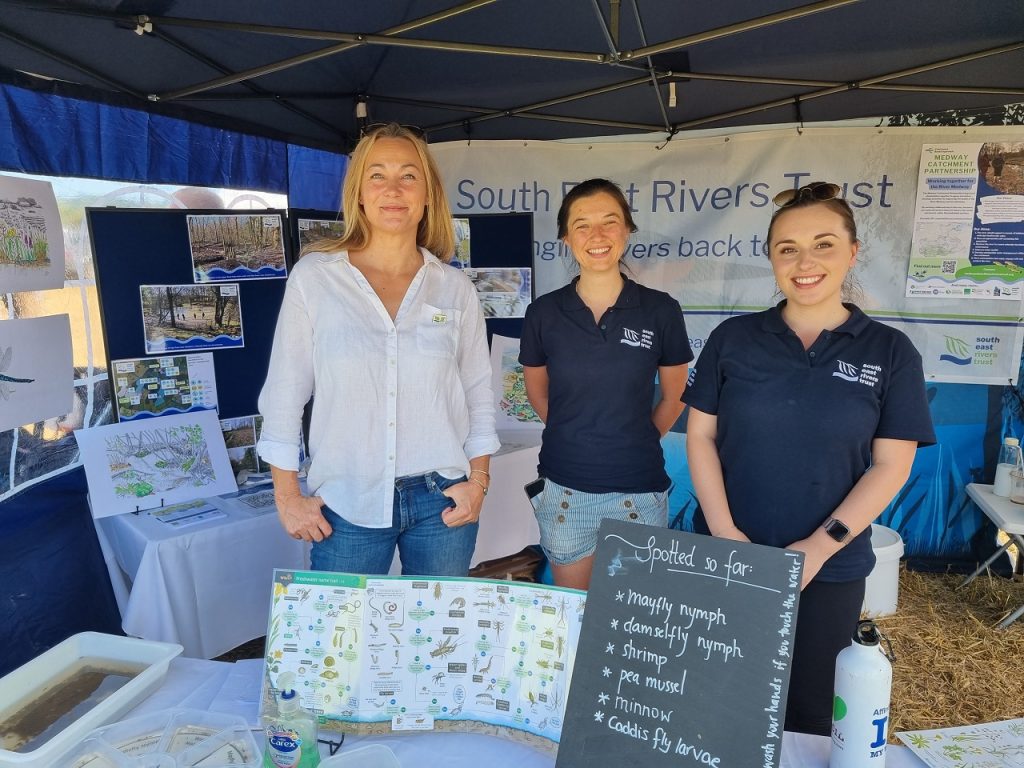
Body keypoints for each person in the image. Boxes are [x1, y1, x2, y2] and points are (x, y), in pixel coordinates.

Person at [682, 181, 935, 735]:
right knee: (716, 703)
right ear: (772, 259)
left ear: (852, 252)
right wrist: (724, 532)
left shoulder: (890, 351)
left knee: (810, 715)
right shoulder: (734, 338)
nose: (805, 262)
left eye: (823, 244)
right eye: (787, 248)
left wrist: (818, 550)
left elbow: (892, 465)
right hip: (729, 556)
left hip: (831, 568)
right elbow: (699, 438)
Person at [257, 123, 499, 576]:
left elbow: (477, 393)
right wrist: (287, 497)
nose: (393, 189)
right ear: (359, 193)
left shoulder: (454, 288)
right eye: (377, 175)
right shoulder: (316, 279)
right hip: (347, 500)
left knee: (435, 641)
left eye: (409, 176)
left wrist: (479, 482)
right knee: (338, 643)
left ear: (428, 194)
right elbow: (285, 393)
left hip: (442, 499)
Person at [519, 178, 693, 590]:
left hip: (638, 491)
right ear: (565, 237)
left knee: (629, 622)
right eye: (582, 225)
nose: (596, 236)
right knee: (575, 615)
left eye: (609, 222)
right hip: (564, 490)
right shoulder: (544, 313)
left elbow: (675, 395)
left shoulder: (660, 310)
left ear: (627, 230)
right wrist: (572, 431)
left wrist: (637, 438)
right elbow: (537, 390)